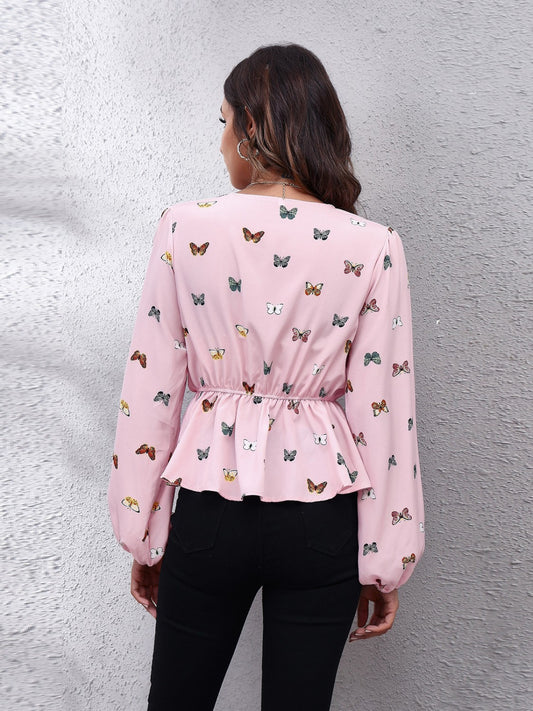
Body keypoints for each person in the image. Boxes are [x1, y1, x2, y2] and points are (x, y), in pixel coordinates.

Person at [107, 43, 425, 711]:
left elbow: (151, 390)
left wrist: (146, 529)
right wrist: (383, 556)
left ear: (252, 126)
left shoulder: (183, 227)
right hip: (320, 522)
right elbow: (384, 410)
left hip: (209, 508)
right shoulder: (374, 245)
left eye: (224, 121)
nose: (221, 140)